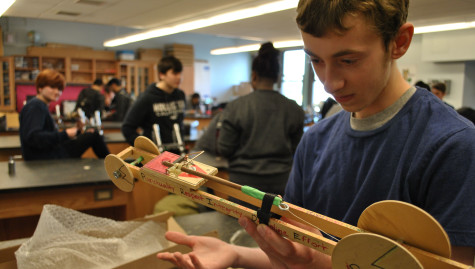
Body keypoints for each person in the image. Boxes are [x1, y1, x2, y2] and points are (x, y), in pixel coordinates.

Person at [157, 0, 475, 267]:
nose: (330, 82)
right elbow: (304, 252)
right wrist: (237, 253)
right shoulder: (316, 140)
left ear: (399, 43)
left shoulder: (452, 146)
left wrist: (309, 262)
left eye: (348, 60)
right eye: (316, 60)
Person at [217, 42, 305, 198]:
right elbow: (298, 150)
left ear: (253, 76)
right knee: (277, 222)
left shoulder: (236, 107)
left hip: (243, 185)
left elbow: (225, 148)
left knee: (240, 222)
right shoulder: (294, 109)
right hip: (282, 184)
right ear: (277, 78)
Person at [20, 69, 110, 161]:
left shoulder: (38, 105)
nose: (57, 92)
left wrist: (75, 132)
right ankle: (115, 166)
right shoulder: (36, 106)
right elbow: (34, 138)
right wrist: (66, 134)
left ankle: (113, 164)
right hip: (46, 157)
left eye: (59, 89)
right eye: (52, 87)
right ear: (40, 88)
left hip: (49, 153)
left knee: (91, 134)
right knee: (94, 136)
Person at [121, 56, 186, 148]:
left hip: (177, 151)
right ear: (161, 75)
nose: (179, 77)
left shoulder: (180, 95)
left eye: (180, 73)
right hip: (156, 154)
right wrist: (145, 148)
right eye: (175, 73)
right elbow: (127, 128)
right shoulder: (147, 97)